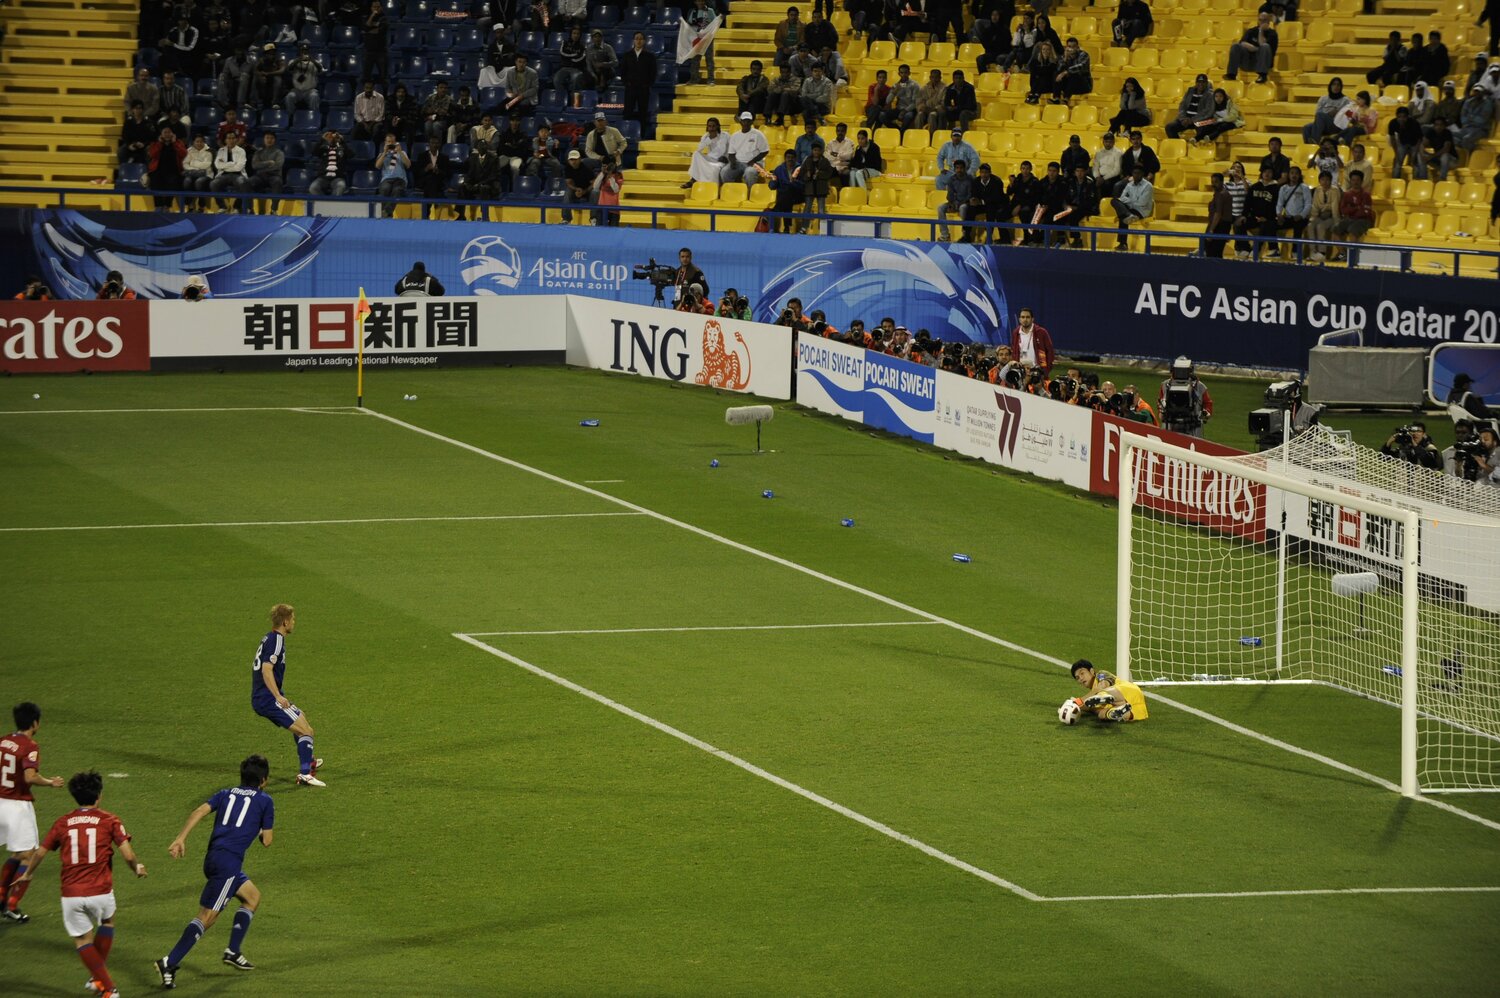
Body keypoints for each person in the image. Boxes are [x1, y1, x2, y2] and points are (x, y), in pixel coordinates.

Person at [18, 771, 147, 998]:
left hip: (71, 893)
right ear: (99, 795)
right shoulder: (110, 820)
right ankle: (103, 984)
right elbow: (127, 855)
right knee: (107, 922)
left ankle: (106, 986)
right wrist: (136, 867)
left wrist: (28, 874)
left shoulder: (62, 822)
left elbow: (40, 852)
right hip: (101, 891)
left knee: (82, 940)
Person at [154, 755, 275, 988]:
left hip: (213, 859)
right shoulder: (265, 801)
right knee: (207, 917)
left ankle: (233, 951)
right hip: (228, 865)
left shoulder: (225, 793)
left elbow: (199, 811)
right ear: (264, 780)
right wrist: (259, 826)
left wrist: (180, 838)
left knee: (252, 897)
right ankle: (169, 962)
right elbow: (267, 841)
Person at [0, 702, 66, 923]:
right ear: (35, 723)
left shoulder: (2, 741)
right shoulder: (30, 746)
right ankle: (12, 905)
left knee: (18, 854)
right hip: (17, 806)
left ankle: (1, 897)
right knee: (29, 856)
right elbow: (30, 777)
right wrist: (50, 782)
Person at [250, 604, 325, 788]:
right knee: (306, 731)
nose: (294, 622)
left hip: (265, 696)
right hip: (267, 698)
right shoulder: (276, 640)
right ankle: (305, 774)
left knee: (302, 719)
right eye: (292, 619)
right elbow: (266, 669)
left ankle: (309, 760)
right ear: (285, 622)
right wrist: (277, 696)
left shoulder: (269, 637)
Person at [1065, 659, 1149, 723]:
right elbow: (1091, 707)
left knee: (1103, 691)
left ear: (1092, 671)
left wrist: (1077, 702)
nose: (1080, 678)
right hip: (1136, 706)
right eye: (1077, 678)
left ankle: (1104, 697)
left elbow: (1103, 685)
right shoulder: (1092, 699)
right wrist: (1074, 707)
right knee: (1101, 714)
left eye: (1082, 673)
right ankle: (1115, 712)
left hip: (1129, 691)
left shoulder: (1101, 674)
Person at [1158, 356, 1213, 437]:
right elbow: (1160, 401)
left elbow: (1208, 403)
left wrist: (1206, 412)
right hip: (1170, 424)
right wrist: (1161, 411)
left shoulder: (1199, 386)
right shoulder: (1165, 385)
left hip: (1193, 427)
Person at [1330, 169, 1373, 263]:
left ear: (1361, 181)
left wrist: (1351, 209)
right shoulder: (1346, 194)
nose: (1355, 182)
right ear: (1350, 181)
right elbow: (1343, 210)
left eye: (1357, 180)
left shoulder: (1366, 195)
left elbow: (1365, 212)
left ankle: (1353, 257)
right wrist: (1356, 208)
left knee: (1352, 230)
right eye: (1353, 180)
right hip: (1350, 218)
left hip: (1363, 220)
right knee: (1335, 230)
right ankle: (1343, 254)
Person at [1224, 10, 1278, 83]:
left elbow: (1262, 44)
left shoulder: (1272, 34)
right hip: (1248, 61)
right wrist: (1256, 49)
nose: (1262, 22)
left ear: (1268, 21)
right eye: (1260, 20)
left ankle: (1262, 76)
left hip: (1263, 63)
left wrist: (1261, 30)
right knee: (1235, 46)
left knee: (1265, 47)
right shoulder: (1251, 31)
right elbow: (1242, 43)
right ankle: (1231, 74)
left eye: (1264, 20)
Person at [620, 32, 657, 135]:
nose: (638, 41)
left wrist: (647, 84)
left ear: (644, 41)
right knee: (628, 111)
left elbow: (653, 72)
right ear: (633, 41)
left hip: (643, 89)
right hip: (630, 88)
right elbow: (622, 72)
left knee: (643, 112)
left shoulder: (650, 56)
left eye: (641, 39)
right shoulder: (627, 55)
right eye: (636, 38)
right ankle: (626, 133)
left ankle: (642, 134)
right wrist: (626, 83)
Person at [795, 140, 835, 232]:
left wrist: (819, 174)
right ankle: (804, 228)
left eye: (818, 150)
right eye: (815, 150)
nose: (816, 152)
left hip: (821, 188)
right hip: (810, 188)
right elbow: (802, 174)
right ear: (812, 151)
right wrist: (807, 175)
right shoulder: (807, 160)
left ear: (821, 151)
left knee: (821, 210)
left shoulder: (825, 161)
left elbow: (829, 173)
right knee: (807, 209)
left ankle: (822, 229)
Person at [1111, 165, 1153, 250]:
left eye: (1138, 173)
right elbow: (1122, 197)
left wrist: (1129, 200)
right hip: (1130, 209)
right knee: (1114, 201)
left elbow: (1142, 203)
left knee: (1122, 216)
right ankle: (1129, 215)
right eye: (1134, 173)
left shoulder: (1148, 186)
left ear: (1142, 174)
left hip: (1141, 210)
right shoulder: (1129, 185)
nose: (1136, 175)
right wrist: (1132, 201)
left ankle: (1123, 244)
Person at [1274, 165, 1311, 256]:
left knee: (1298, 229)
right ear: (1289, 175)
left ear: (1300, 175)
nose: (1294, 175)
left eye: (1296, 173)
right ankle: (1274, 250)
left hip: (1301, 218)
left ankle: (1295, 252)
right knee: (1270, 225)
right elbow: (1279, 203)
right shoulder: (1283, 188)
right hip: (1288, 217)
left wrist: (1301, 215)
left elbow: (1308, 204)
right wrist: (1279, 214)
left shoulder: (1304, 187)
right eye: (1292, 173)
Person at [1301, 78, 1350, 145]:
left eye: (1338, 85)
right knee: (1306, 127)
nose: (1336, 87)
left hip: (1337, 125)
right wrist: (1328, 114)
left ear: (1341, 87)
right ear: (1330, 86)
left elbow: (1347, 116)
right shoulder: (1323, 99)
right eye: (1334, 84)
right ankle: (1309, 147)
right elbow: (1317, 113)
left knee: (1320, 115)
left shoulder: (1345, 100)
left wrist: (1338, 113)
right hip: (1322, 123)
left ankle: (1315, 141)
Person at [684, 117, 729, 188]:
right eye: (709, 126)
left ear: (717, 126)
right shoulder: (706, 136)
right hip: (710, 159)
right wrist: (709, 139)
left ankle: (712, 187)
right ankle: (693, 179)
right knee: (696, 154)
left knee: (715, 168)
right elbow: (699, 149)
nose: (711, 128)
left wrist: (727, 158)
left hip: (721, 160)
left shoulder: (725, 135)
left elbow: (730, 148)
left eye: (713, 126)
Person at [1166, 74, 1214, 140]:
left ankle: (1198, 145)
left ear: (1206, 83)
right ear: (1196, 83)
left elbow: (1207, 112)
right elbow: (1182, 106)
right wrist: (1183, 119)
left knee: (1203, 130)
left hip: (1199, 120)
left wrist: (1192, 120)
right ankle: (1180, 144)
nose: (1201, 84)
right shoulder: (1190, 91)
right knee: (1169, 127)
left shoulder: (1210, 94)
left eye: (1203, 82)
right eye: (1199, 82)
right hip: (1186, 119)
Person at [766, 149, 804, 232]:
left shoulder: (801, 169)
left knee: (788, 191)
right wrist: (772, 183)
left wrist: (793, 183)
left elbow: (803, 185)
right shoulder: (779, 169)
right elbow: (773, 183)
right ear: (785, 158)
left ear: (795, 158)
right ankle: (787, 227)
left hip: (798, 195)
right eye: (788, 157)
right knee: (787, 199)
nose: (790, 159)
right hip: (785, 197)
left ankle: (775, 211)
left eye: (792, 157)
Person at [938, 157, 974, 242]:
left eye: (961, 168)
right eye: (957, 168)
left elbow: (970, 195)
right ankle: (945, 235)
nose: (959, 170)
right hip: (954, 203)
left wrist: (959, 204)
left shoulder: (970, 179)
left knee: (963, 208)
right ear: (954, 169)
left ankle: (965, 234)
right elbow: (950, 194)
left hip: (965, 203)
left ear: (965, 169)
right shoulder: (951, 179)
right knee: (940, 208)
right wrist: (951, 203)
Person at [374, 134, 410, 217]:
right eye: (389, 142)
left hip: (400, 179)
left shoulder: (402, 153)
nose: (391, 144)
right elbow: (377, 166)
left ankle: (385, 212)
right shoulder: (381, 154)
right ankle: (387, 213)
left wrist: (399, 152)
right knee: (385, 188)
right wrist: (384, 152)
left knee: (397, 190)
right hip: (386, 179)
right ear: (385, 143)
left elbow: (408, 165)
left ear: (396, 143)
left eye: (392, 142)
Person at [1009, 308, 1053, 373]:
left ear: (1032, 319)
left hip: (1037, 371)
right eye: (1023, 317)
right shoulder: (1015, 333)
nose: (1025, 319)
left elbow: (1050, 352)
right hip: (1020, 371)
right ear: (1019, 319)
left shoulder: (1041, 332)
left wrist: (1046, 370)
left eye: (1027, 317)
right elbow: (1013, 351)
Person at [934, 126, 979, 191]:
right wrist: (941, 168)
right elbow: (940, 157)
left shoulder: (967, 147)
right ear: (951, 136)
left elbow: (976, 160)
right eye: (954, 136)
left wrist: (969, 173)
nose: (956, 138)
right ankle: (943, 195)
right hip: (952, 172)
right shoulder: (946, 146)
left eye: (958, 136)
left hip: (965, 172)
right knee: (939, 179)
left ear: (961, 137)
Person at [1203, 171, 1234, 259]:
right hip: (1223, 226)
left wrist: (1211, 230)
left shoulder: (1220, 195)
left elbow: (1218, 213)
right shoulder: (1224, 193)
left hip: (1218, 226)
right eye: (1212, 182)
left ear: (1222, 182)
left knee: (1212, 253)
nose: (1213, 184)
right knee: (1217, 253)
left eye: (1216, 182)